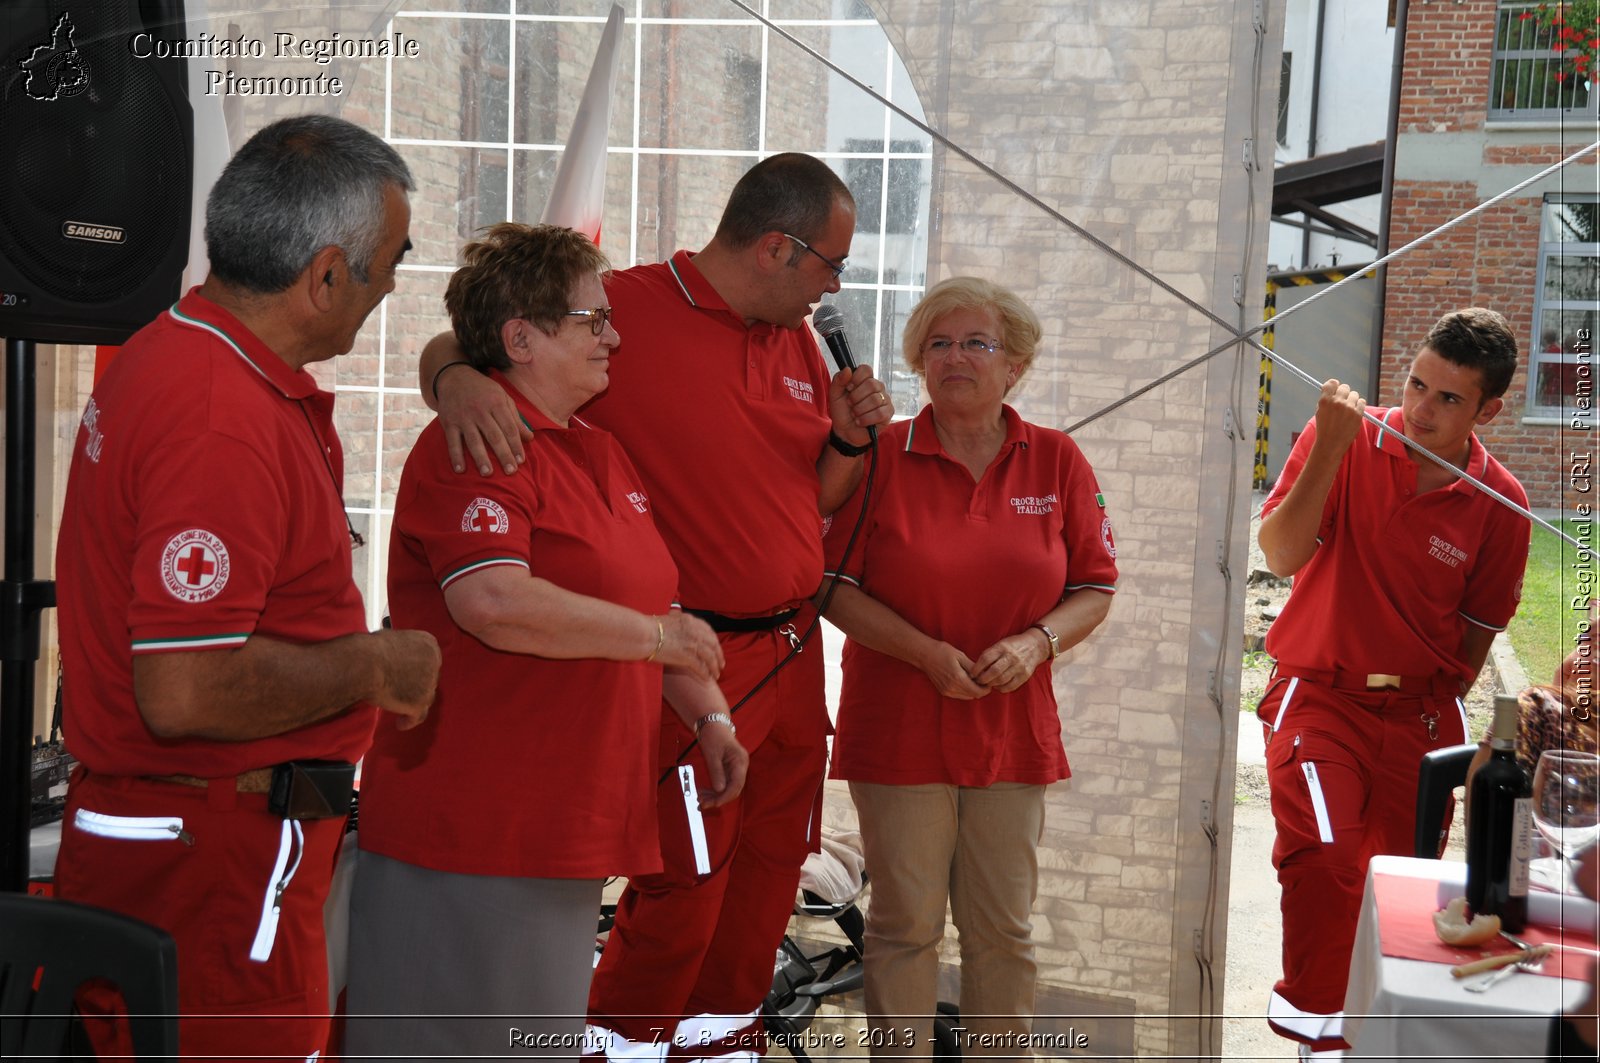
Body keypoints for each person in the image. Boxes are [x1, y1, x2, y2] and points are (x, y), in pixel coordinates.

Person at [419, 153, 893, 1061]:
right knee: (686, 882)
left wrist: (846, 438)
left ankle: (722, 1041)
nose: (837, 284)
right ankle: (620, 1045)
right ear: (774, 248)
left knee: (764, 878)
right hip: (691, 653)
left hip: (794, 650)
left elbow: (814, 497)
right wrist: (456, 380)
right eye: (831, 264)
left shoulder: (798, 339)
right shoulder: (621, 310)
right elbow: (469, 341)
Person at [51, 114, 441, 1061]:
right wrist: (372, 664)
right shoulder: (222, 415)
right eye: (387, 264)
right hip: (211, 858)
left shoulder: (184, 347)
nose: (389, 287)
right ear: (324, 275)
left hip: (192, 844)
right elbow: (182, 687)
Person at [344, 222, 745, 1059]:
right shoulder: (477, 442)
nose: (615, 335)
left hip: (568, 822)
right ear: (520, 338)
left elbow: (652, 602)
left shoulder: (601, 450)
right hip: (474, 827)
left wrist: (709, 717)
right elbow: (493, 601)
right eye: (592, 321)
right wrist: (654, 636)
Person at [816, 277, 1116, 1056]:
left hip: (1010, 731)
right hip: (900, 727)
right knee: (904, 925)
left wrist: (1036, 642)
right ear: (918, 360)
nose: (956, 357)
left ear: (1014, 365)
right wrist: (922, 652)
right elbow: (830, 585)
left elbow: (1094, 586)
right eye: (939, 343)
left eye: (977, 342)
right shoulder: (878, 454)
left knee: (1002, 931)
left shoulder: (1056, 458)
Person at [1255, 307, 1531, 1056]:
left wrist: (1422, 695)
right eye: (1415, 384)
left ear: (1489, 410)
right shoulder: (1343, 435)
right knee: (1327, 860)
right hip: (1320, 695)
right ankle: (1320, 1036)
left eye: (1448, 399)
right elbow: (1280, 553)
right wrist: (1330, 448)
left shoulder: (1502, 503)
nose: (1420, 409)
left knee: (1393, 891)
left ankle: (1374, 1035)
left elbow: (1475, 638)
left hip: (1420, 719)